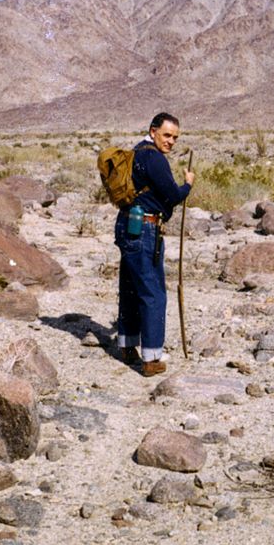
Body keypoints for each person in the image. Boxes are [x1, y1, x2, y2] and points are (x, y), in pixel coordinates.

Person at [115, 113, 194, 376]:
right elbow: (172, 195)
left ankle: (127, 346)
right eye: (167, 135)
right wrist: (187, 185)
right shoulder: (154, 158)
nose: (171, 141)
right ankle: (151, 358)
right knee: (153, 292)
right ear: (153, 130)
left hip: (127, 225)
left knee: (129, 286)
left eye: (175, 138)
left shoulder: (136, 152)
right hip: (145, 229)